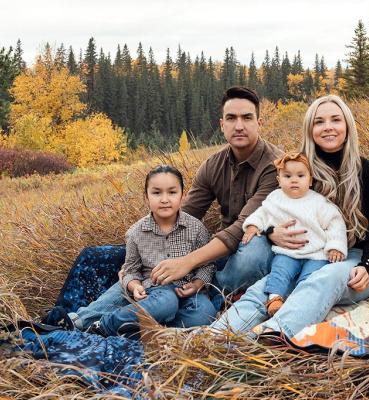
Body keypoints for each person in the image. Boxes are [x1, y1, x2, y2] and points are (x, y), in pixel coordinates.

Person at [44, 86, 282, 330]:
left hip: (253, 248)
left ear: (259, 123)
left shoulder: (275, 166)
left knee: (251, 254)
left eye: (247, 118)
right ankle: (80, 319)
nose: (239, 125)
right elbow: (182, 217)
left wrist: (187, 263)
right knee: (140, 266)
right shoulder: (213, 165)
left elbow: (239, 231)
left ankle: (208, 294)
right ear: (222, 124)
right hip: (217, 252)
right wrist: (135, 265)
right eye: (231, 118)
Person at [211, 95, 369, 338]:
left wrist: (366, 267)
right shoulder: (298, 170)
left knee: (323, 278)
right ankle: (211, 339)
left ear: (347, 125)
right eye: (319, 121)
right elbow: (273, 211)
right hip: (301, 254)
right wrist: (272, 234)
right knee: (267, 288)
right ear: (310, 129)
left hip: (349, 258)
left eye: (336, 120)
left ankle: (273, 336)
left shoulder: (368, 173)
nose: (328, 127)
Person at [66, 165, 217, 336]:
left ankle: (144, 329)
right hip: (155, 293)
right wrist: (135, 286)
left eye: (172, 192)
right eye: (157, 193)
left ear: (182, 196)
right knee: (166, 302)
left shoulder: (196, 228)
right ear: (146, 197)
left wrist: (197, 285)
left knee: (205, 313)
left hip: (187, 293)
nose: (165, 199)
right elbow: (130, 270)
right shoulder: (135, 232)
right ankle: (105, 325)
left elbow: (207, 265)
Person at [241, 152, 347, 316]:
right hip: (287, 252)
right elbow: (262, 213)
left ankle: (299, 302)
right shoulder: (275, 198)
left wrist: (335, 246)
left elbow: (335, 223)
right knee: (279, 272)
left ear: (310, 180)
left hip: (316, 254)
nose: (294, 180)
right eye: (287, 176)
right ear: (279, 180)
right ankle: (275, 299)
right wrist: (253, 226)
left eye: (300, 175)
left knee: (311, 278)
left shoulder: (318, 202)